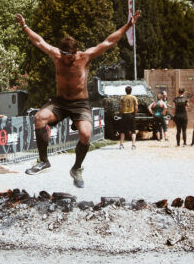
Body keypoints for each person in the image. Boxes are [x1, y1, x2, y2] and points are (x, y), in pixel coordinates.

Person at [15, 10, 142, 188]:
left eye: (72, 56)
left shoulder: (85, 57)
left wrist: (128, 25)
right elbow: (38, 41)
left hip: (80, 105)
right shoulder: (56, 55)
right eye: (66, 56)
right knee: (39, 118)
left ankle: (76, 168)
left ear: (76, 52)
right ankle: (43, 161)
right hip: (59, 102)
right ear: (61, 52)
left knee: (85, 134)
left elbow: (109, 41)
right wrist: (24, 26)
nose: (69, 60)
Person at [119, 86, 138, 150]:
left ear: (125, 91)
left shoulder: (122, 98)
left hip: (124, 115)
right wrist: (135, 113)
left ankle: (121, 144)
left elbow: (121, 107)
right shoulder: (134, 97)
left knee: (122, 131)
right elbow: (136, 107)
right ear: (131, 91)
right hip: (131, 114)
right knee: (133, 131)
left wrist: (121, 113)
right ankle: (133, 145)